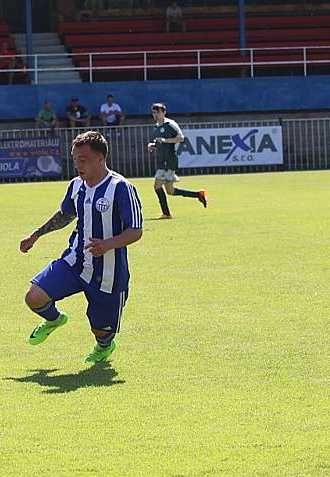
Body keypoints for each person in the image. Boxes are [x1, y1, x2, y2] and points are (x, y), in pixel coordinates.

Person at [20, 130, 143, 363]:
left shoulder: (121, 188)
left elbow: (135, 230)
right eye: (75, 159)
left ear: (100, 158)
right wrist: (36, 234)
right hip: (74, 262)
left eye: (83, 159)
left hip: (107, 273)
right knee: (34, 297)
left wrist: (108, 244)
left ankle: (104, 345)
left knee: (102, 331)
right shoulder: (76, 185)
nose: (77, 164)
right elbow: (66, 214)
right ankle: (54, 319)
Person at [147, 102, 207, 219]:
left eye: (158, 112)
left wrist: (165, 140)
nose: (155, 114)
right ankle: (198, 194)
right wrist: (152, 145)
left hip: (169, 160)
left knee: (157, 185)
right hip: (163, 160)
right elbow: (160, 142)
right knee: (170, 191)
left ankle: (166, 213)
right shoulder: (156, 127)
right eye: (154, 112)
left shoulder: (170, 124)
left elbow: (181, 138)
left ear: (164, 112)